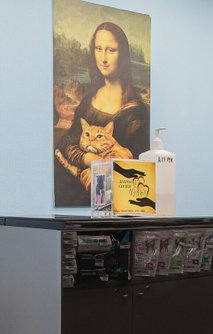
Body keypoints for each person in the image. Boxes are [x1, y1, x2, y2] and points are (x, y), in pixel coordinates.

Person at [55, 22, 150, 206]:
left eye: (111, 50)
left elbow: (137, 173)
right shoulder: (89, 99)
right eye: (98, 49)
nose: (103, 58)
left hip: (107, 204)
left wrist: (101, 170)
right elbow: (67, 142)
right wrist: (90, 159)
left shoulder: (136, 114)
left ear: (122, 55)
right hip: (71, 198)